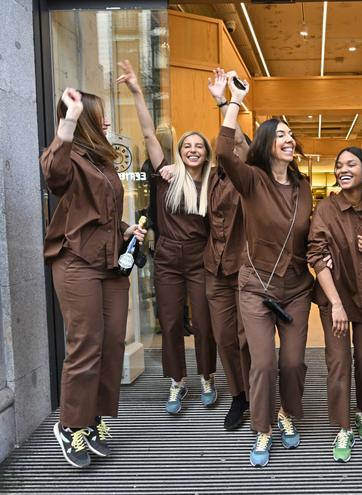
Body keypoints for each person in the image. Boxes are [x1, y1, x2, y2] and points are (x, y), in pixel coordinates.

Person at [41, 87, 146, 468]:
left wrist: (125, 229)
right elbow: (53, 173)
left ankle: (95, 417)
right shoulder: (70, 158)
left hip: (110, 264)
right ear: (83, 120)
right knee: (85, 345)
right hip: (76, 263)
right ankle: (71, 425)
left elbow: (97, 216)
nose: (107, 120)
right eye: (99, 114)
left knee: (113, 342)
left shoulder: (104, 162)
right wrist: (68, 120)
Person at [216, 75, 313, 467]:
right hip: (256, 286)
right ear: (267, 144)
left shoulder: (304, 186)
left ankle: (288, 413)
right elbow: (223, 154)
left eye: (292, 134)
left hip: (296, 288)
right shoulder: (252, 181)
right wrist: (234, 102)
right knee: (264, 362)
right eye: (282, 135)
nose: (290, 139)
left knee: (292, 362)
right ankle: (263, 427)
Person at [118, 60, 218, 415]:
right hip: (168, 259)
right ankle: (178, 381)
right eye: (187, 145)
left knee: (205, 323)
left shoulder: (211, 183)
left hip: (199, 258)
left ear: (206, 154)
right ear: (179, 151)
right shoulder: (166, 176)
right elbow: (147, 134)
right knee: (171, 322)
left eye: (199, 146)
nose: (192, 149)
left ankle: (207, 375)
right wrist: (137, 92)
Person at [307, 147, 362, 462]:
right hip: (335, 296)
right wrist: (336, 303)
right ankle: (343, 426)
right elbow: (315, 256)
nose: (342, 169)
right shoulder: (326, 208)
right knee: (339, 361)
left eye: (351, 164)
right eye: (338, 165)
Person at [204, 68, 253, 430]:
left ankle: (256, 392)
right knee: (223, 335)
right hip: (214, 268)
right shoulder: (211, 177)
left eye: (237, 145)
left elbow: (233, 142)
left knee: (246, 335)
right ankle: (238, 394)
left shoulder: (249, 177)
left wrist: (228, 102)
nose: (230, 148)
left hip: (245, 266)